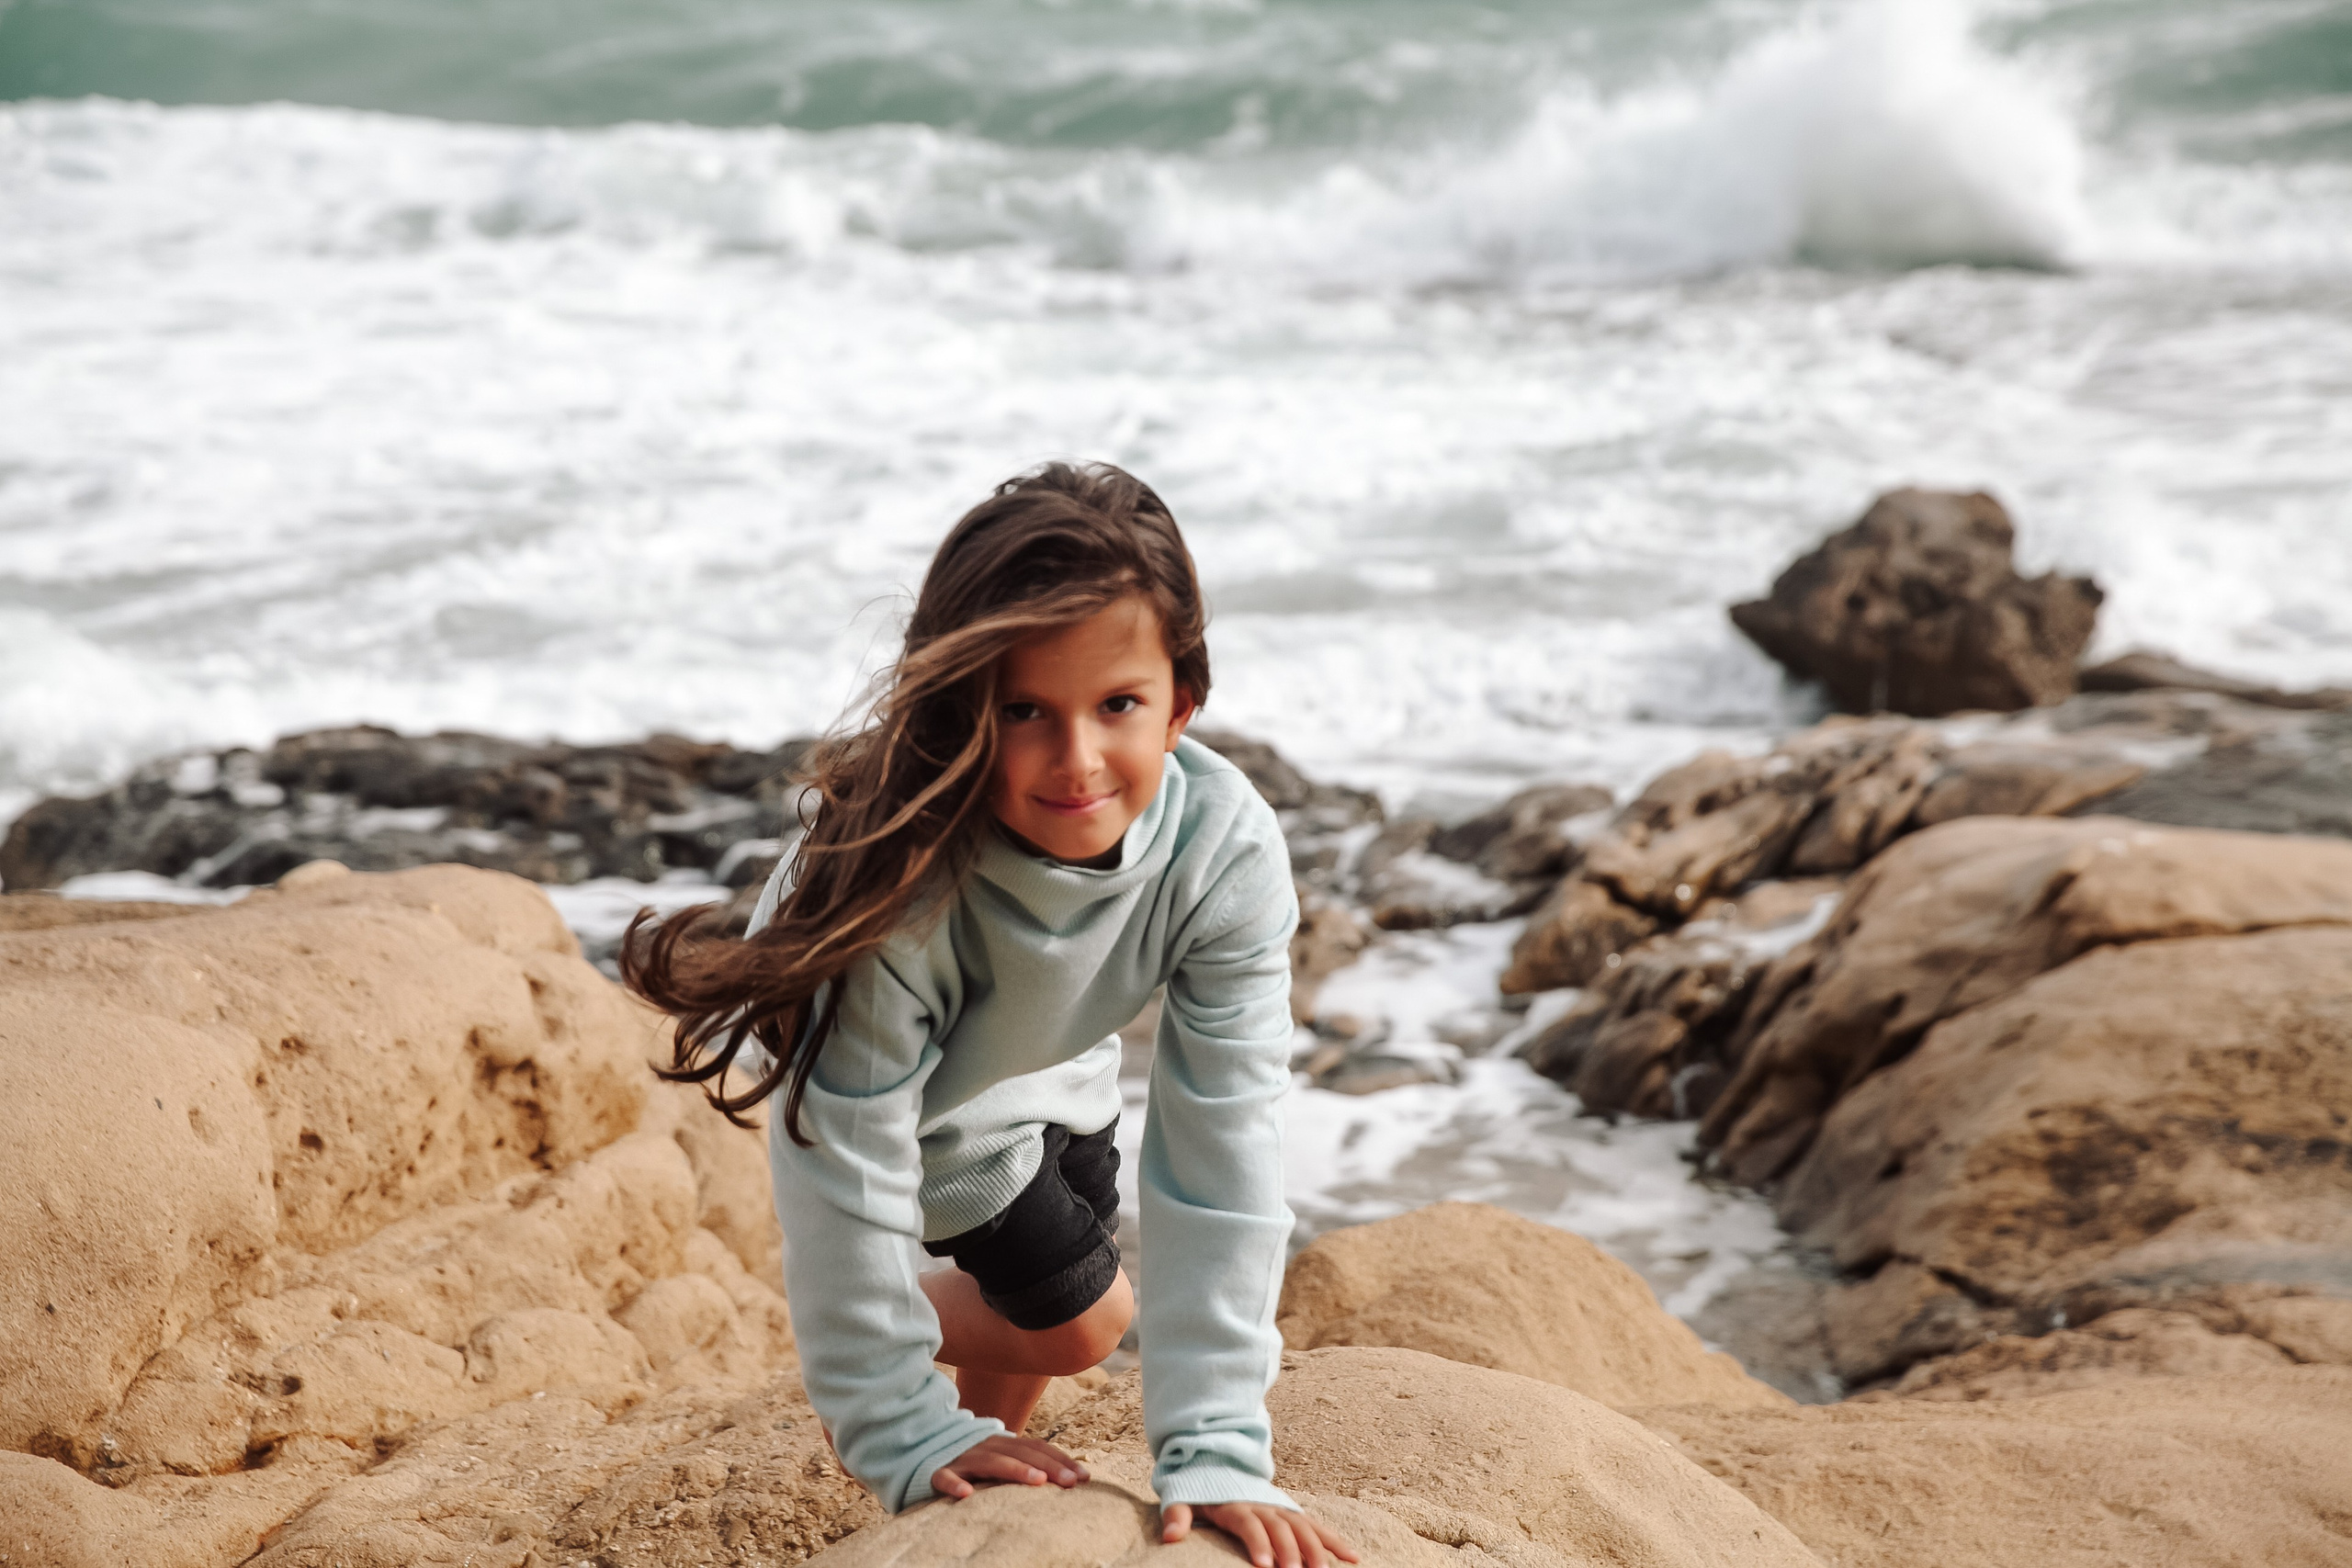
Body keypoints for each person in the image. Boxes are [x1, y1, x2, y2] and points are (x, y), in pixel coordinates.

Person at [622, 463, 1359, 1568]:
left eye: (1119, 705)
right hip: (908, 1090)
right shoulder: (898, 893)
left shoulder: (1225, 852)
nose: (1076, 761)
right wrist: (895, 1420)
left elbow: (1225, 1152)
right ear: (964, 711)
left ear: (1182, 704)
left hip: (1055, 1060)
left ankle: (973, 1471)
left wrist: (1216, 1449)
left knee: (1039, 1323)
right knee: (1080, 1321)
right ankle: (886, 1352)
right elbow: (846, 1160)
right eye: (1023, 712)